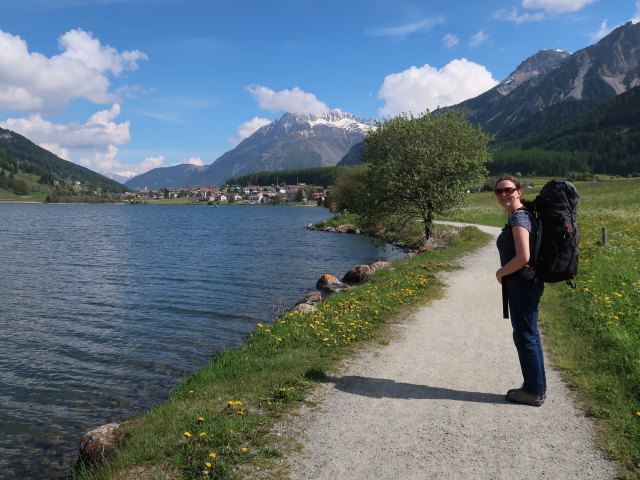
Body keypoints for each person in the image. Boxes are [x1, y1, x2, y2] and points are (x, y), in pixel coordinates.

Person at [494, 175, 546, 407]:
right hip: (526, 284)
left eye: (508, 190)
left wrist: (501, 273)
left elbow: (523, 257)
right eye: (499, 191)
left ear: (519, 191)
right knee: (529, 335)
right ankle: (536, 388)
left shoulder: (519, 218)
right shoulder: (521, 216)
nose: (503, 194)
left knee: (525, 337)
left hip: (522, 284)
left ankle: (533, 391)